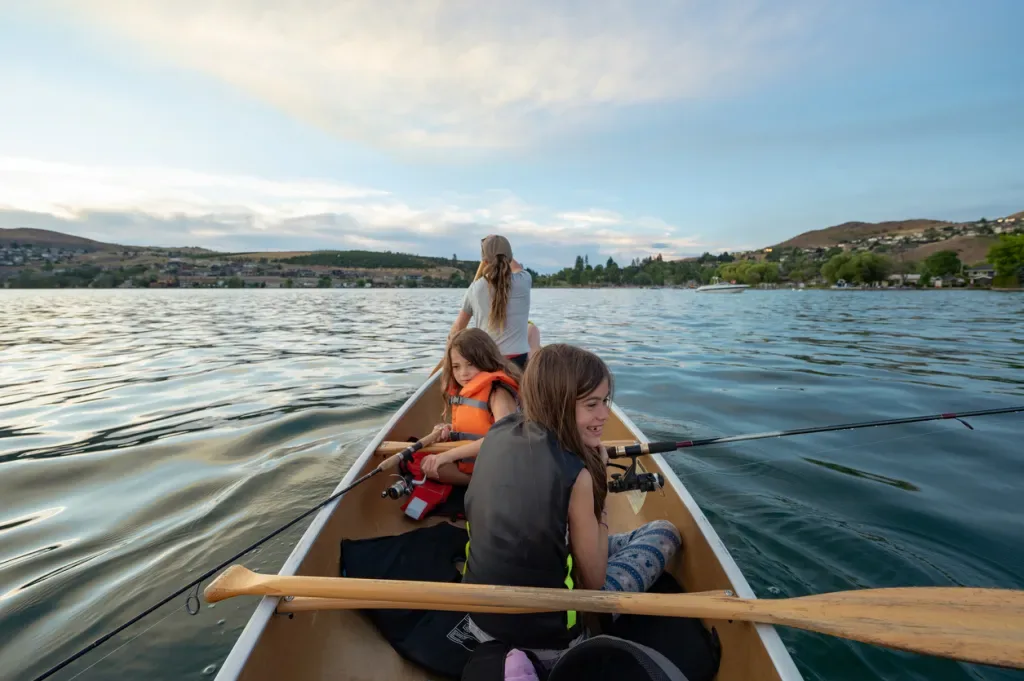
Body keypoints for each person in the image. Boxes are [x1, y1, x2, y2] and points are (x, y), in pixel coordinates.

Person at [459, 344, 682, 665]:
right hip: (550, 641)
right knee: (664, 533)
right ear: (559, 403)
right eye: (592, 404)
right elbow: (593, 581)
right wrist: (599, 494)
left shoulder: (498, 431)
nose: (604, 414)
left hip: (478, 619)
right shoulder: (576, 475)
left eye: (605, 402)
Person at [420, 328, 521, 484]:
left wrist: (448, 455)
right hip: (473, 466)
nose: (463, 373)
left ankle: (478, 484)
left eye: (470, 364)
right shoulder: (465, 390)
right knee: (427, 464)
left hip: (498, 468)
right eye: (456, 367)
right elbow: (474, 427)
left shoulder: (498, 392)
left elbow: (503, 438)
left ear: (485, 360)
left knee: (437, 462)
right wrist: (449, 430)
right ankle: (474, 483)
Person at [449, 235, 532, 369]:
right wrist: (501, 251)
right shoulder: (525, 279)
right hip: (519, 360)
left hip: (487, 360)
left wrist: (449, 350)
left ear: (485, 262)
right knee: (532, 331)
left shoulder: (474, 289)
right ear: (510, 257)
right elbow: (515, 266)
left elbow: (458, 328)